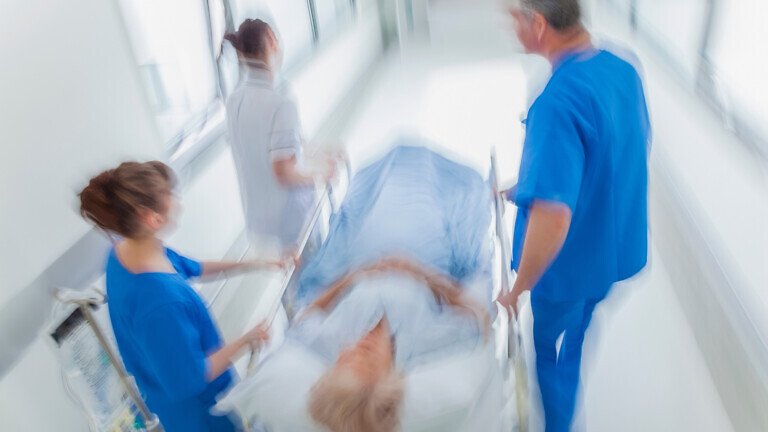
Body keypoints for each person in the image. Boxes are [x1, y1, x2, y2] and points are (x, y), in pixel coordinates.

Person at [497, 1, 651, 431]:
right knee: (579, 327)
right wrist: (529, 182)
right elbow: (613, 153)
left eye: (514, 19)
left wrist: (517, 288)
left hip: (568, 270)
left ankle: (558, 426)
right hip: (612, 252)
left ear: (539, 25)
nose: (510, 28)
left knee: (549, 349)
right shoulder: (622, 68)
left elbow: (553, 219)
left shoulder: (557, 101)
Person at [78, 161, 296, 432]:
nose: (176, 199)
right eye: (169, 194)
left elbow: (193, 267)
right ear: (151, 217)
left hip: (165, 391)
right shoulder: (160, 303)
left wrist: (255, 263)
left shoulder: (125, 251)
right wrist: (246, 339)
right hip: (200, 414)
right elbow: (191, 379)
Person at [298, 256, 489, 432]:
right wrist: (424, 274)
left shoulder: (331, 340)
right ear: (390, 377)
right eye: (370, 357)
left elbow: (303, 320)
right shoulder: (423, 341)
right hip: (432, 258)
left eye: (346, 356)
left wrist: (351, 276)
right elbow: (479, 318)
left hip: (353, 259)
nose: (361, 343)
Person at [223, 19, 336, 252]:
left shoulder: (234, 100)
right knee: (310, 273)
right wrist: (320, 175)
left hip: (261, 217)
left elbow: (274, 146)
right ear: (272, 40)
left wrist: (318, 152)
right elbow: (283, 170)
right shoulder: (280, 103)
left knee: (293, 271)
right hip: (291, 218)